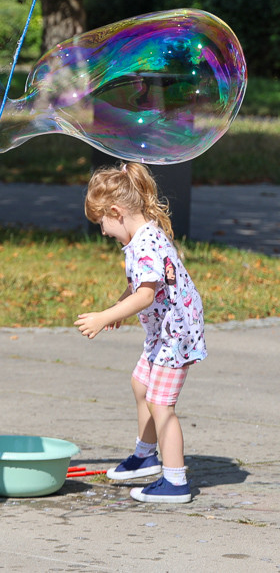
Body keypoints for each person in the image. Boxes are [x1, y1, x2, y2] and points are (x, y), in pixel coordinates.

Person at [75, 162, 206, 504]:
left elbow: (146, 295)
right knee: (141, 384)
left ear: (116, 212)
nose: (103, 231)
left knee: (161, 404)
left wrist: (105, 316)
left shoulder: (146, 243)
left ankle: (175, 481)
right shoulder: (141, 236)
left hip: (176, 335)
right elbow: (138, 287)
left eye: (101, 223)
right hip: (165, 331)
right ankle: (145, 455)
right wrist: (121, 304)